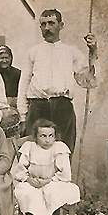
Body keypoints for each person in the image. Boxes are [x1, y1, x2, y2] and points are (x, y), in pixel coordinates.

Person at [17, 9, 98, 153]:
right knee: (34, 152)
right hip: (37, 108)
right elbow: (24, 83)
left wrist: (92, 51)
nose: (47, 28)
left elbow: (87, 80)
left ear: (61, 25)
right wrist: (23, 116)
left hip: (62, 108)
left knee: (63, 151)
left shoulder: (71, 52)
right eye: (43, 24)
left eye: (51, 23)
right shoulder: (33, 52)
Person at [11, 119, 80, 215]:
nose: (47, 140)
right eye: (43, 136)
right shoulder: (29, 147)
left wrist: (49, 180)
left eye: (50, 136)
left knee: (53, 195)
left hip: (53, 182)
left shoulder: (59, 148)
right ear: (36, 137)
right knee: (30, 195)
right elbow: (19, 170)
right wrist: (29, 179)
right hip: (32, 182)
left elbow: (65, 174)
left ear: (55, 137)